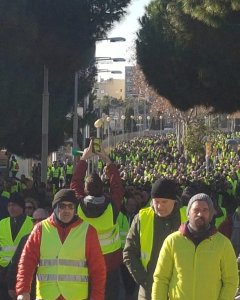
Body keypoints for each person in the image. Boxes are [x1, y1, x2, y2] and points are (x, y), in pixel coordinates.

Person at [16, 189, 106, 300]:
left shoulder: (88, 231)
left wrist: (97, 297)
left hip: (76, 297)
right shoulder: (40, 229)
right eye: (62, 206)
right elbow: (26, 262)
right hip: (47, 296)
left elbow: (98, 269)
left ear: (75, 208)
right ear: (55, 207)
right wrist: (23, 291)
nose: (66, 210)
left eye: (70, 206)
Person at [152, 193, 239, 300]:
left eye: (205, 210)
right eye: (196, 210)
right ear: (188, 213)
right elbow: (161, 279)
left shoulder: (223, 244)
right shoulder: (172, 241)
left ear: (211, 215)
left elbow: (231, 280)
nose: (199, 214)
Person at [70, 140, 124, 300]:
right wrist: (106, 160)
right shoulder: (112, 207)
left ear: (85, 190)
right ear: (103, 188)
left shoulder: (78, 206)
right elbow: (118, 187)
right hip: (110, 265)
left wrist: (84, 159)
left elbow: (74, 183)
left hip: (85, 264)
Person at [123, 178, 181, 300]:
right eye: (156, 201)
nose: (159, 206)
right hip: (148, 290)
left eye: (164, 202)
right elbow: (129, 252)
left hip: (179, 291)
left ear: (174, 201)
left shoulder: (186, 217)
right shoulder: (142, 218)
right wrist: (145, 280)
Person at [7, 208, 49, 300]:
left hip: (48, 290)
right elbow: (15, 264)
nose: (37, 223)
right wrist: (11, 286)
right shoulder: (25, 240)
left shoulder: (56, 240)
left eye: (41, 220)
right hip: (29, 290)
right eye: (34, 220)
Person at [0, 193, 33, 300]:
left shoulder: (31, 223)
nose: (11, 208)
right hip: (2, 270)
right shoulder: (2, 223)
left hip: (21, 269)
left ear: (21, 207)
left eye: (14, 205)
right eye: (9, 205)